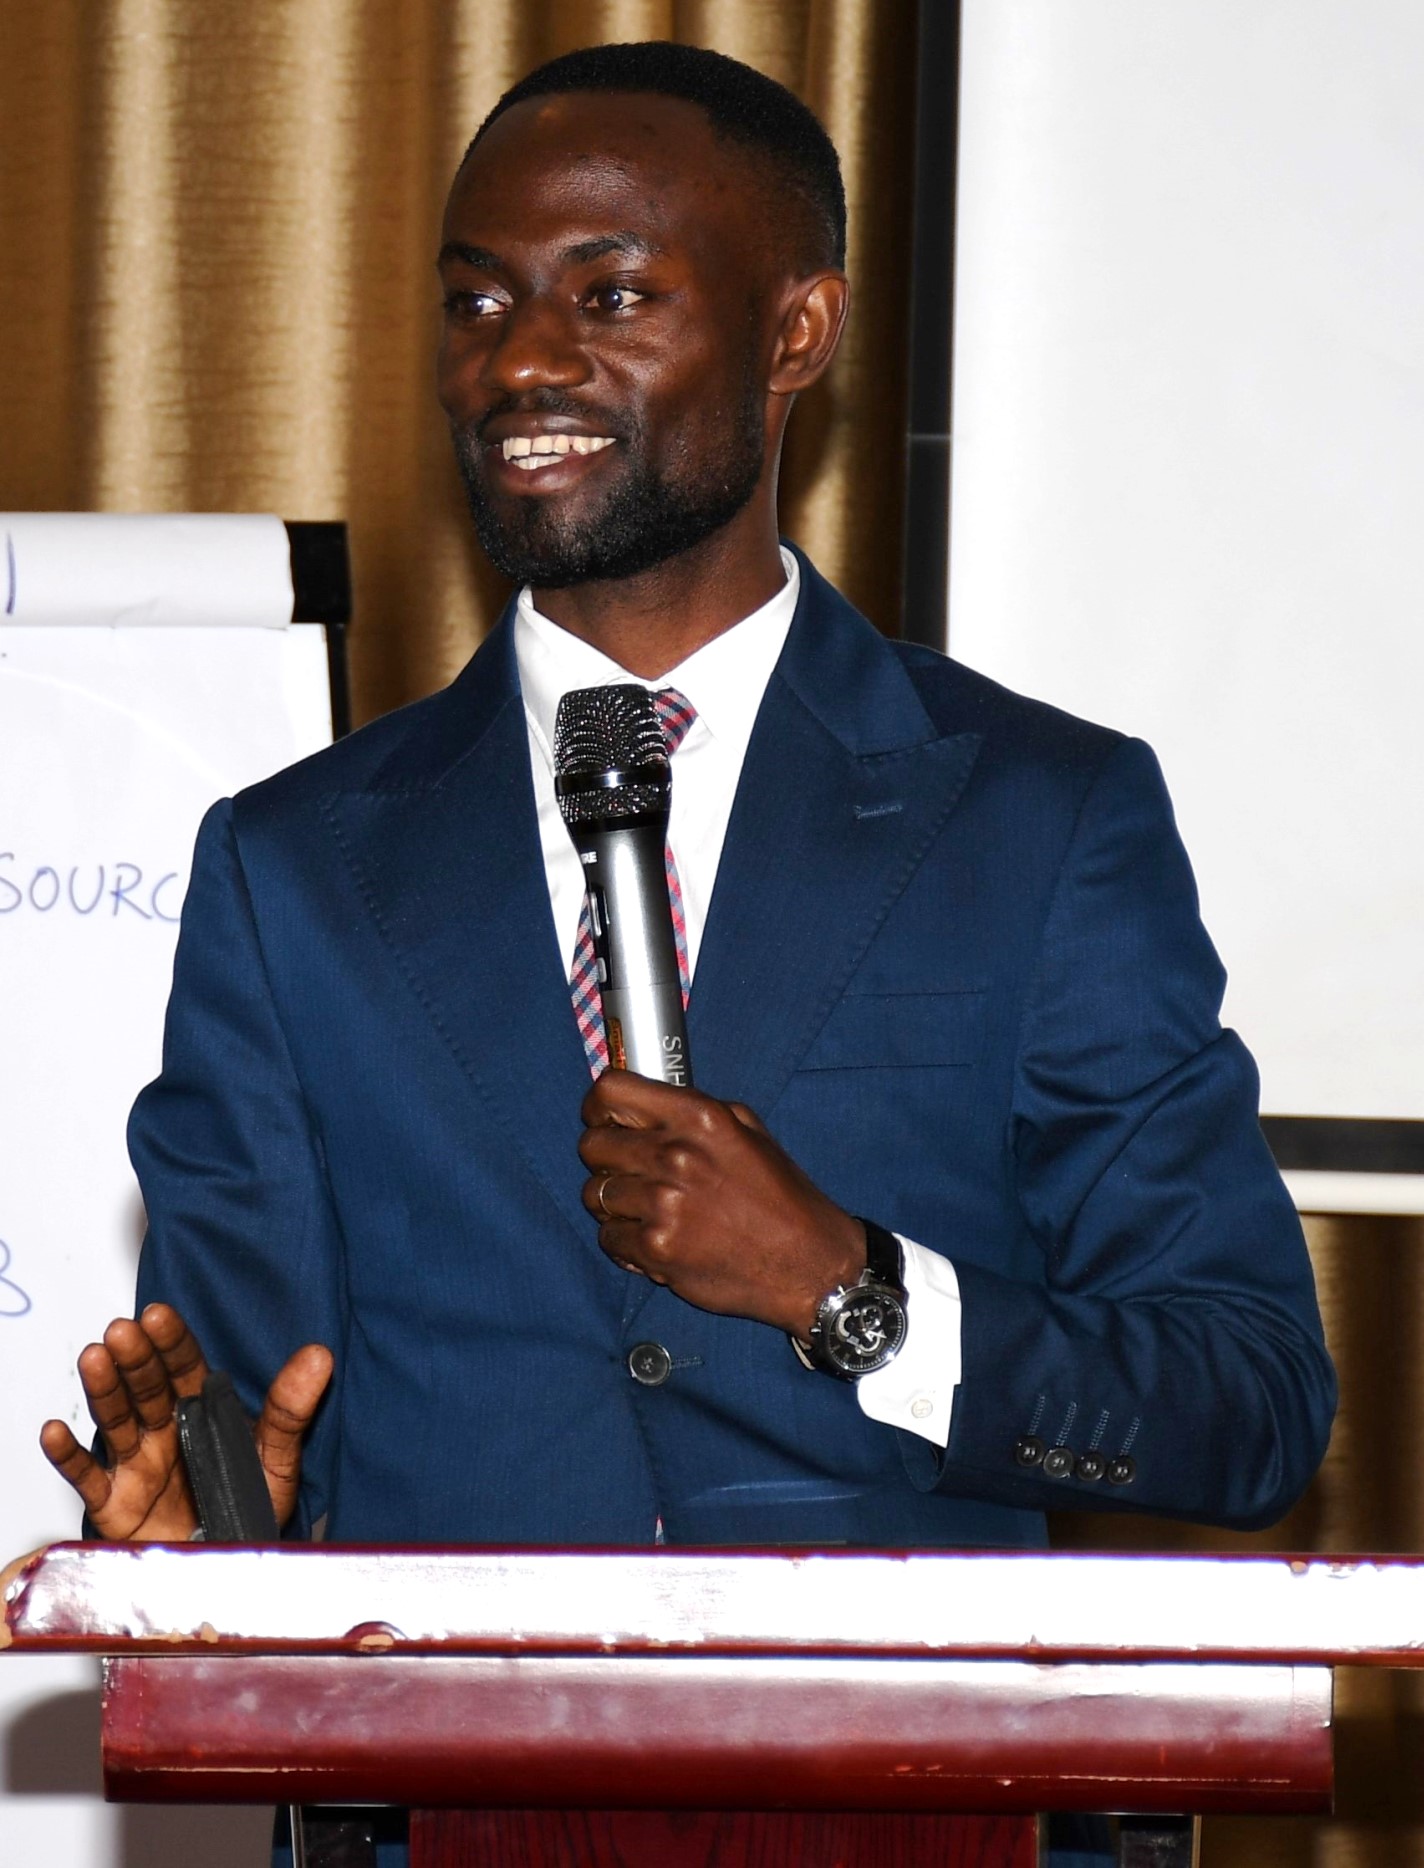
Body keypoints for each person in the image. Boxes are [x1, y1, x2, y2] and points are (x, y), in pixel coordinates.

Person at [40, 40, 1335, 1858]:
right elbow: (270, 1446)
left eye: (612, 294)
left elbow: (1247, 1401)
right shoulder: (293, 869)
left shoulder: (1039, 820)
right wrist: (200, 1550)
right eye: (477, 303)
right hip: (456, 1818)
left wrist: (849, 1289)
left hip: (916, 1808)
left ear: (797, 332)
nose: (523, 362)